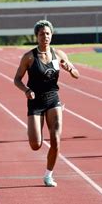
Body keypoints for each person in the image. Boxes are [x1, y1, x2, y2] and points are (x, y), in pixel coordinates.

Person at [13, 20, 79, 187]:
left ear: (52, 35)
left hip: (53, 99)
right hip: (35, 101)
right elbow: (17, 79)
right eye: (42, 34)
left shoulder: (59, 55)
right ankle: (36, 136)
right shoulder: (29, 57)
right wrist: (26, 90)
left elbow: (77, 74)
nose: (45, 37)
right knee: (36, 145)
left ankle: (49, 174)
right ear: (37, 36)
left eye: (48, 33)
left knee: (56, 139)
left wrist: (69, 69)